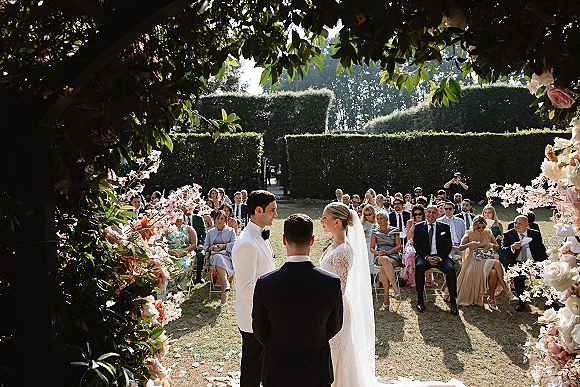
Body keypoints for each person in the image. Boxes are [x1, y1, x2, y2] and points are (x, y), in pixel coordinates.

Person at [252, 214, 343, 387]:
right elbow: (335, 325)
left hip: (278, 368)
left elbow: (259, 329)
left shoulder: (266, 283)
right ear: (312, 240)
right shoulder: (331, 282)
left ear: (284, 240)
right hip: (316, 368)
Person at [319, 202, 377, 386]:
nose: (321, 221)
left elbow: (340, 288)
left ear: (337, 222)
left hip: (336, 308)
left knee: (338, 349)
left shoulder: (343, 250)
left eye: (325, 217)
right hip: (331, 304)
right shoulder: (334, 245)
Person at [232, 190, 277, 387]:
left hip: (264, 316)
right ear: (259, 210)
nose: (275, 214)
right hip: (252, 319)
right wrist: (277, 292)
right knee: (251, 372)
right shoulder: (246, 243)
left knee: (262, 368)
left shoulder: (259, 234)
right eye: (272, 210)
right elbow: (244, 288)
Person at [456, 216, 518, 310]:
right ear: (474, 226)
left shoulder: (488, 233)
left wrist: (492, 245)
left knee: (494, 269)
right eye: (478, 227)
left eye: (483, 227)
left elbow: (497, 247)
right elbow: (460, 248)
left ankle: (493, 298)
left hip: (487, 258)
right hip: (474, 260)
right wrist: (469, 244)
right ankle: (506, 291)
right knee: (495, 266)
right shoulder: (469, 234)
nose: (481, 229)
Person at [413, 205, 458, 315]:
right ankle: (420, 299)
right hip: (425, 257)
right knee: (419, 268)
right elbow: (417, 245)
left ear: (438, 214)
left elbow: (448, 245)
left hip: (441, 257)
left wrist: (439, 257)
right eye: (429, 212)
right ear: (425, 212)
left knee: (450, 270)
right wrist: (427, 257)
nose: (431, 214)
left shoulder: (444, 227)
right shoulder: (419, 227)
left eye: (434, 212)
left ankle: (453, 301)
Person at [501, 215, 548, 312]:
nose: (516, 225)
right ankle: (521, 302)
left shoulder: (535, 234)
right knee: (518, 276)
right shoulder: (509, 234)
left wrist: (546, 263)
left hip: (534, 262)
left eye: (520, 224)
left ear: (527, 225)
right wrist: (512, 247)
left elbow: (541, 250)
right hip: (517, 262)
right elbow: (504, 250)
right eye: (515, 223)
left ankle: (550, 302)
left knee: (548, 274)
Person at [369, 210, 402, 309]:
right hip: (380, 256)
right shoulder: (374, 231)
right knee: (384, 260)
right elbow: (371, 248)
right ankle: (395, 287)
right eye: (377, 219)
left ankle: (386, 298)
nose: (379, 221)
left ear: (387, 219)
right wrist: (378, 253)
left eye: (381, 218)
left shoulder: (394, 230)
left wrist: (389, 252)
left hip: (394, 255)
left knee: (384, 268)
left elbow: (399, 246)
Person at [204, 210, 237, 307]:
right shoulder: (210, 232)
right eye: (218, 218)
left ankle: (224, 292)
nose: (220, 220)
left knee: (221, 259)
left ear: (225, 220)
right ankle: (226, 283)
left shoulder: (231, 231)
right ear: (214, 220)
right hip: (214, 256)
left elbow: (234, 245)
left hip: (227, 256)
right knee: (218, 257)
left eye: (222, 218)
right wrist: (211, 248)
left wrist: (222, 246)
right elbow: (205, 246)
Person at [165, 215, 198, 292]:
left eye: (180, 216)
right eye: (176, 217)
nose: (178, 219)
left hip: (186, 253)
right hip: (170, 255)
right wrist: (171, 252)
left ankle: (180, 286)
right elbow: (162, 244)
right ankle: (174, 289)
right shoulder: (167, 230)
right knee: (167, 268)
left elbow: (194, 244)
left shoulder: (189, 229)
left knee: (184, 266)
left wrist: (182, 252)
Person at [401, 204, 425, 288]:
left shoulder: (426, 222)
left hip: (423, 244)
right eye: (415, 214)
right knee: (411, 254)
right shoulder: (410, 222)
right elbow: (408, 237)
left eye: (419, 214)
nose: (417, 216)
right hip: (411, 243)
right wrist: (412, 229)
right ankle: (411, 279)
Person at [184, 205, 207, 284]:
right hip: (184, 246)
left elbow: (204, 233)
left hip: (197, 245)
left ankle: (199, 276)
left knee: (200, 254)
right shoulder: (179, 219)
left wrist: (201, 244)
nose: (187, 210)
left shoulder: (199, 218)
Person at [361, 205, 378, 282]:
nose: (368, 216)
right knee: (369, 247)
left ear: (373, 213)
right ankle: (370, 275)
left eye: (369, 214)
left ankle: (376, 276)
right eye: (365, 214)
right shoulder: (362, 223)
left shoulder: (377, 221)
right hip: (366, 241)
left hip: (377, 241)